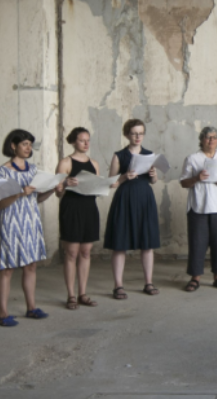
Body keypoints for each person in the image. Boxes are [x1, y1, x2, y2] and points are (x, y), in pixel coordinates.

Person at [0, 129, 54, 326]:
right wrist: (19, 193)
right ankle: (3, 313)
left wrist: (52, 188)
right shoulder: (2, 172)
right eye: (25, 144)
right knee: (7, 268)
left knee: (31, 265)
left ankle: (31, 307)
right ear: (13, 146)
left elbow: (38, 198)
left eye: (30, 144)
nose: (29, 148)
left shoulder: (34, 169)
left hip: (31, 222)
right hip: (10, 222)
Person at [105, 118, 162, 298]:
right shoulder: (119, 155)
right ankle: (118, 286)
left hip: (145, 199)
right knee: (120, 244)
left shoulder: (149, 154)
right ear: (127, 134)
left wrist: (154, 175)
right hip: (125, 199)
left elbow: (153, 181)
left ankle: (148, 282)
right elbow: (111, 184)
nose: (138, 136)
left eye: (141, 133)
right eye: (134, 133)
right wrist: (123, 177)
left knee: (147, 244)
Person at [179, 126, 217, 291]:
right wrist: (197, 178)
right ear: (201, 139)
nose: (211, 140)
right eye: (207, 137)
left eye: (214, 137)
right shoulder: (192, 158)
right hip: (199, 206)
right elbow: (184, 182)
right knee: (197, 243)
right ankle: (195, 277)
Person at [55, 127, 104, 309]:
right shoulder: (65, 162)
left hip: (89, 208)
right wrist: (65, 183)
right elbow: (57, 192)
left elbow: (97, 188)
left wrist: (105, 185)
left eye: (88, 140)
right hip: (71, 208)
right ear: (74, 141)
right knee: (71, 253)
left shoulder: (95, 163)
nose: (86, 143)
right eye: (82, 140)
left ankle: (83, 293)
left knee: (85, 252)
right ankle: (71, 295)